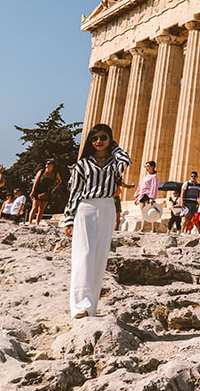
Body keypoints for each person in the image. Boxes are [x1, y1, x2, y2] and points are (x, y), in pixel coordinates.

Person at [63, 123, 131, 319]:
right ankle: (79, 306)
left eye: (103, 137)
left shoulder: (115, 164)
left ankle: (90, 308)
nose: (99, 141)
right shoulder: (82, 165)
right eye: (95, 139)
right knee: (84, 254)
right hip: (86, 207)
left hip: (108, 207)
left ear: (110, 139)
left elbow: (126, 159)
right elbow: (74, 193)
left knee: (100, 257)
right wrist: (69, 219)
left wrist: (115, 147)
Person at [28, 159, 62, 225]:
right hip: (38, 190)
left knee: (41, 209)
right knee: (35, 207)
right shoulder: (42, 171)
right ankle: (30, 222)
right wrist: (33, 191)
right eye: (47, 163)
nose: (47, 165)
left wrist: (54, 187)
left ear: (53, 165)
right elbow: (36, 182)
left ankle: (37, 223)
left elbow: (60, 180)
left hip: (47, 191)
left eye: (49, 164)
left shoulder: (55, 173)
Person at [134, 161, 159, 233]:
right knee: (143, 212)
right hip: (142, 195)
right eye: (146, 166)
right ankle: (142, 228)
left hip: (148, 195)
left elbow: (154, 187)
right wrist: (137, 196)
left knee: (151, 212)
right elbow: (140, 186)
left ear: (152, 167)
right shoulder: (145, 177)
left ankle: (153, 228)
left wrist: (152, 198)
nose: (146, 168)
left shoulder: (154, 177)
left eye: (148, 166)